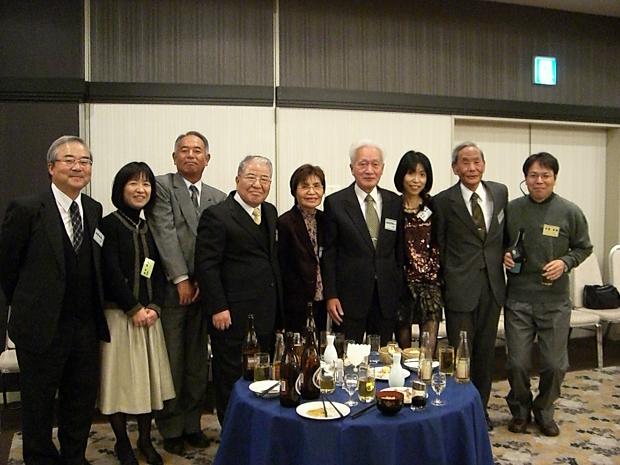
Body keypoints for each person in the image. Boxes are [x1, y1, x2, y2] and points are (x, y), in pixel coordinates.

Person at [0, 135, 110, 465]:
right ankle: (39, 458)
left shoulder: (93, 209)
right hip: (41, 327)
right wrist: (33, 303)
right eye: (69, 160)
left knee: (79, 400)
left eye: (85, 161)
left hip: (84, 327)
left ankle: (74, 456)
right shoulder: (28, 208)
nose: (78, 167)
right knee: (38, 403)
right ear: (51, 168)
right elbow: (8, 266)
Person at [147, 131, 226, 455]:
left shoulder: (218, 197)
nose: (191, 155)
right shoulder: (162, 186)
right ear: (174, 156)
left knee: (197, 364)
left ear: (208, 159)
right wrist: (181, 279)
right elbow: (164, 233)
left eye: (197, 151)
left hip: (204, 293)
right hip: (172, 291)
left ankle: (192, 424)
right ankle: (170, 427)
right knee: (173, 362)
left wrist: (206, 285)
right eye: (184, 150)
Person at [503, 152, 592, 437]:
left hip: (554, 302)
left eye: (545, 176)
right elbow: (497, 245)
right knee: (517, 362)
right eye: (533, 175)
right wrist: (504, 256)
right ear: (525, 179)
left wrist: (566, 262)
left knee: (554, 365)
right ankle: (519, 409)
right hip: (518, 299)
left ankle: (544, 410)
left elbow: (583, 247)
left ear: (554, 178)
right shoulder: (512, 210)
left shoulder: (570, 211)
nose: (539, 181)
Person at [195, 155, 282, 426]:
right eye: (251, 177)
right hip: (232, 314)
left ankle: (258, 429)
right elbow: (206, 266)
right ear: (237, 180)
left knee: (262, 377)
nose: (258, 184)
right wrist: (218, 307)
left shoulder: (269, 212)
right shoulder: (217, 215)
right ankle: (231, 432)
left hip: (265, 312)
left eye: (264, 179)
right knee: (231, 377)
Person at [98, 162, 175, 465]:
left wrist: (154, 307)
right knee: (118, 384)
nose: (141, 189)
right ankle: (121, 443)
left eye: (146, 184)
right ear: (121, 188)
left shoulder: (148, 228)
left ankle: (144, 439)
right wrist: (132, 308)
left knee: (147, 383)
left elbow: (155, 273)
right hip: (119, 317)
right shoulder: (107, 225)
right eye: (133, 183)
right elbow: (109, 271)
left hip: (149, 319)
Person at [432, 141, 507, 430]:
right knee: (461, 353)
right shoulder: (442, 201)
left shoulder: (499, 193)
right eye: (465, 162)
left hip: (492, 285)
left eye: (477, 161)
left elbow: (503, 236)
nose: (472, 167)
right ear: (455, 168)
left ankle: (481, 409)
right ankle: (459, 410)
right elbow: (439, 245)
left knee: (486, 352)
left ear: (483, 164)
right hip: (459, 288)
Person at [322, 140, 402, 344]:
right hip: (348, 299)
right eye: (362, 164)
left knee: (380, 359)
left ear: (382, 169)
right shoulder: (336, 203)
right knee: (348, 361)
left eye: (375, 164)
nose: (369, 170)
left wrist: (399, 294)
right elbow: (329, 254)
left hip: (385, 297)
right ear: (351, 168)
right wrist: (331, 295)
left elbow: (398, 253)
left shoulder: (394, 202)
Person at [393, 151, 443, 353]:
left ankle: (427, 383)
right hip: (401, 285)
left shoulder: (434, 206)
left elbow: (440, 241)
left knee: (427, 351)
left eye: (422, 174)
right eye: (411, 173)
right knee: (404, 350)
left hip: (431, 285)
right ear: (401, 176)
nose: (416, 180)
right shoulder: (392, 206)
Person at [277, 164, 327, 333]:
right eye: (305, 186)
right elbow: (281, 266)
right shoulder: (284, 222)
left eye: (317, 186)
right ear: (294, 191)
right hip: (296, 300)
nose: (311, 192)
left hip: (322, 298)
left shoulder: (326, 219)